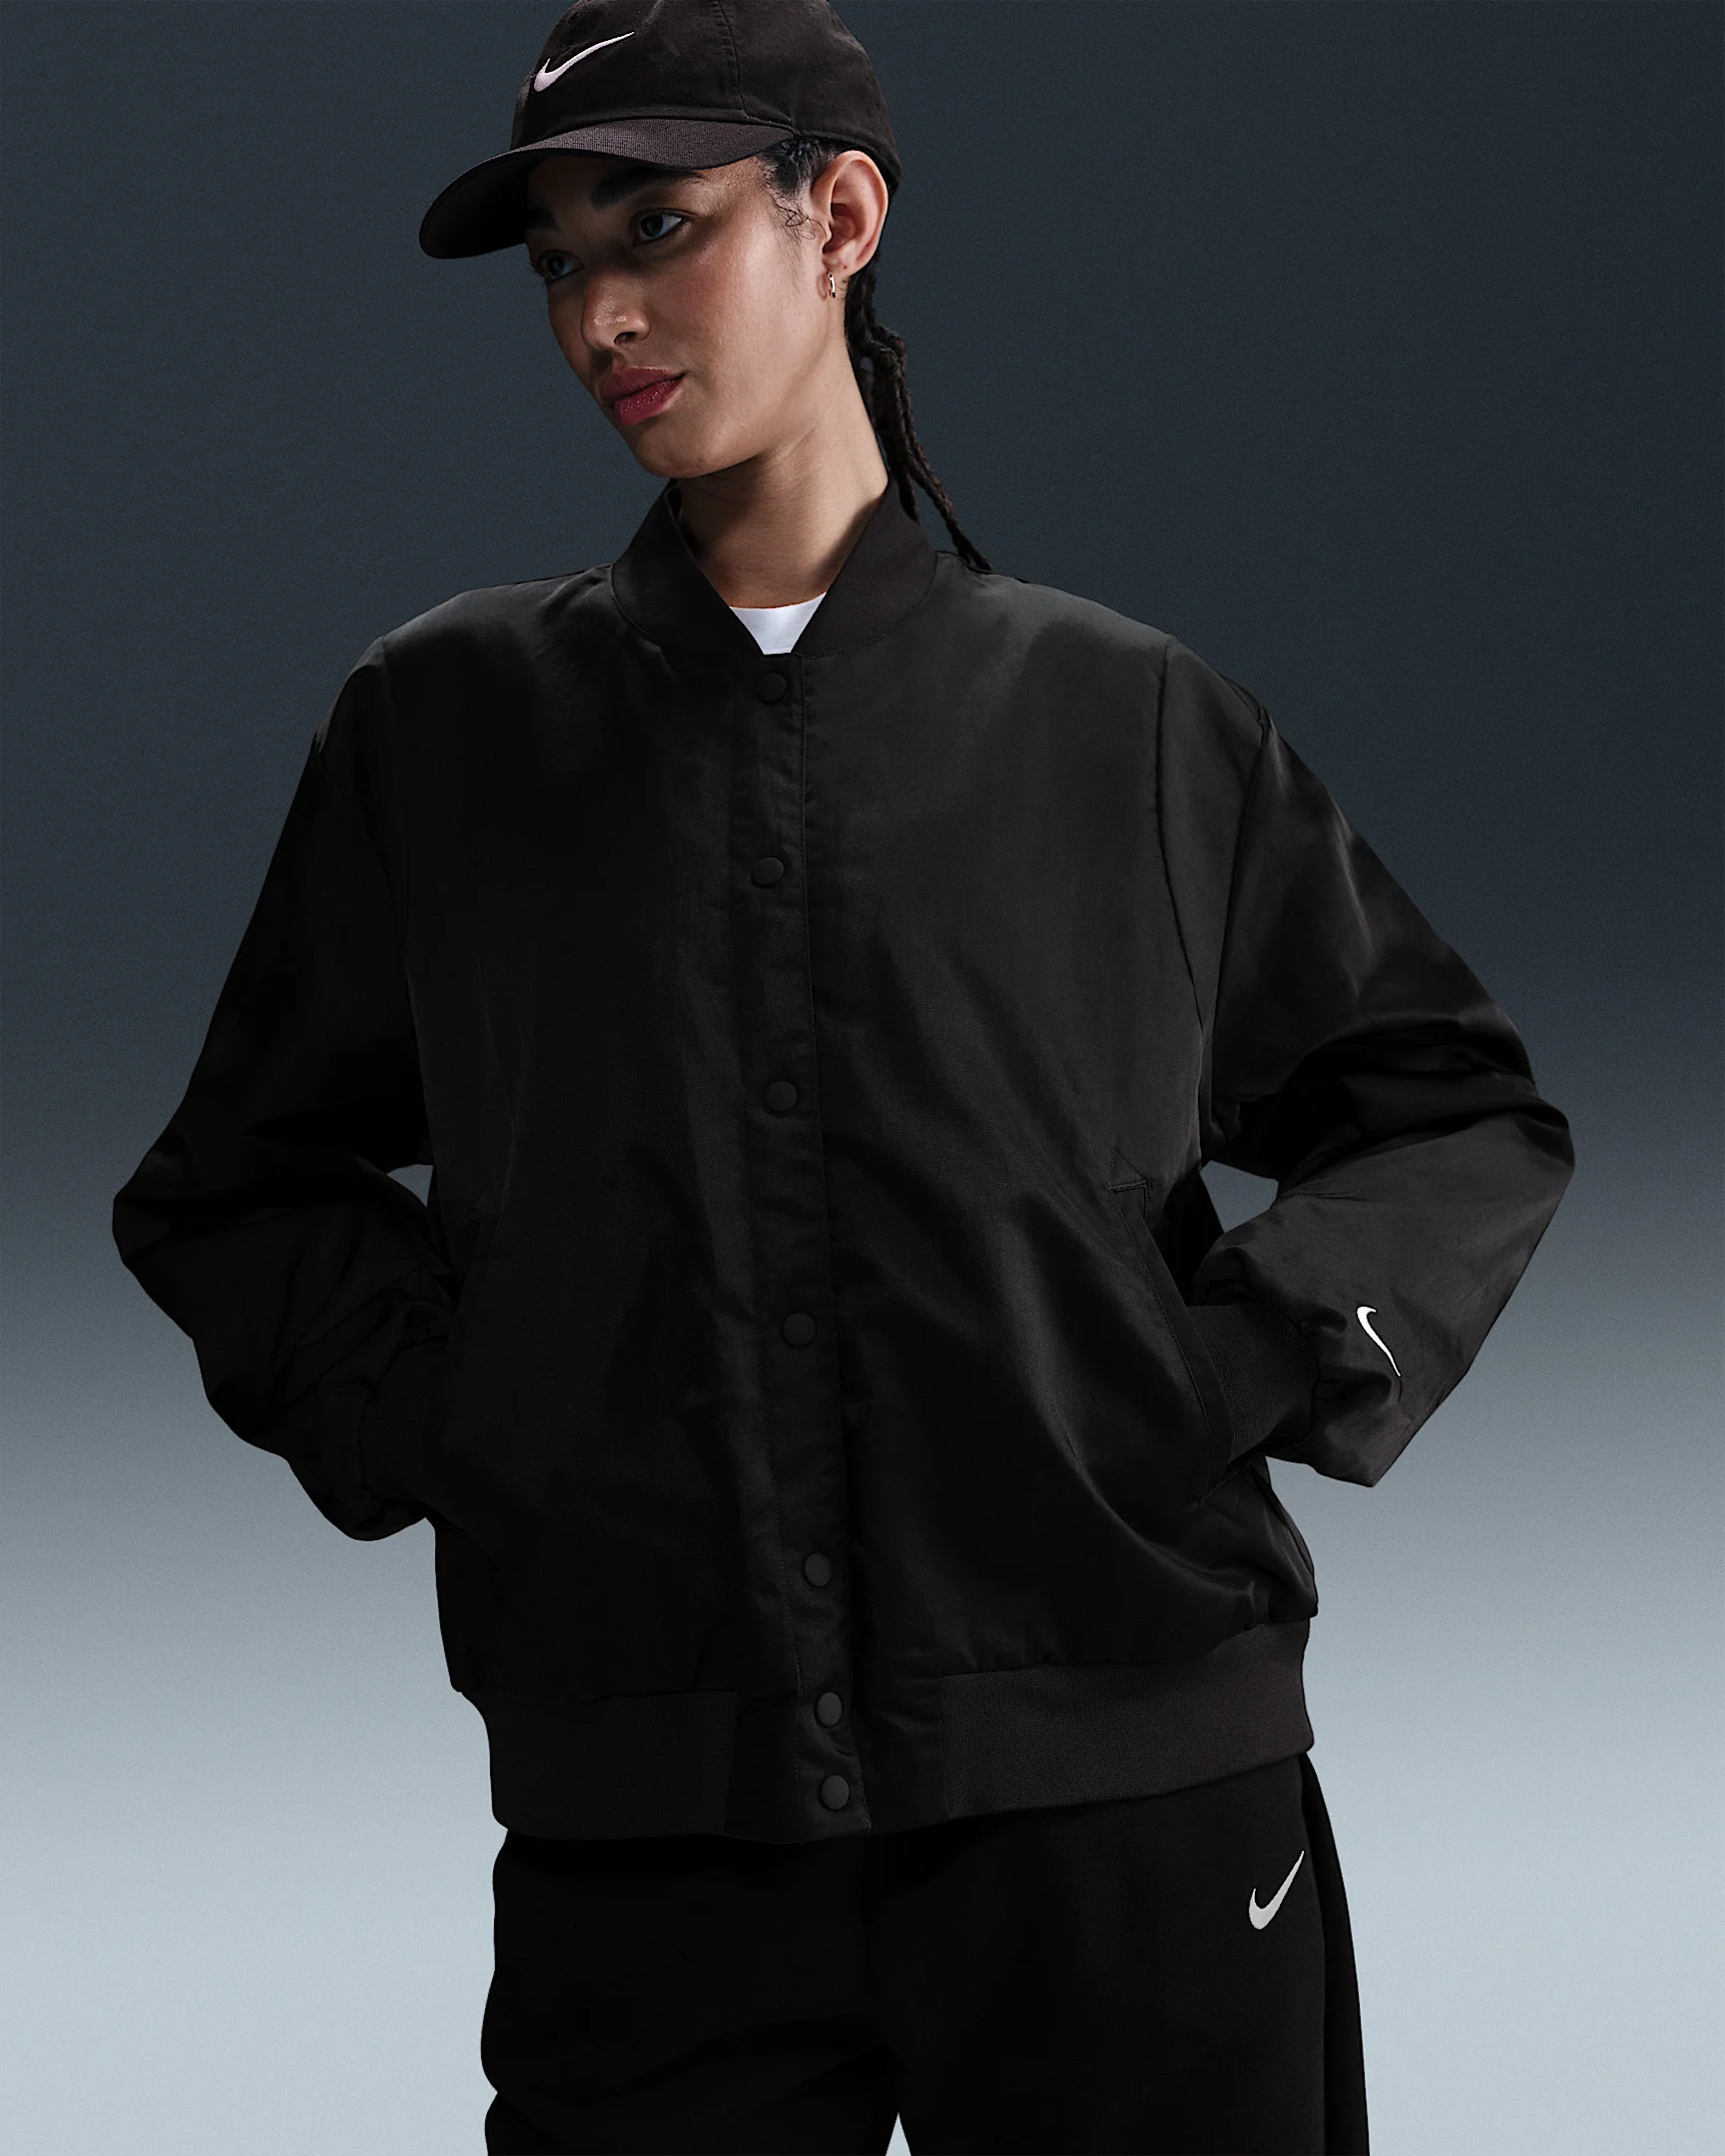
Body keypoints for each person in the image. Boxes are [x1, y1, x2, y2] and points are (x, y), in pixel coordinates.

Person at [110, 3, 1575, 2150]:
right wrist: (476, 1418)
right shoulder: (445, 733)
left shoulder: (1125, 724)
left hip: (1129, 1814)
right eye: (557, 261)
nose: (600, 314)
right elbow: (234, 1187)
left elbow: (1452, 1113)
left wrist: (1219, 1368)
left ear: (842, 218)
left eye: (660, 227)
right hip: (654, 1839)